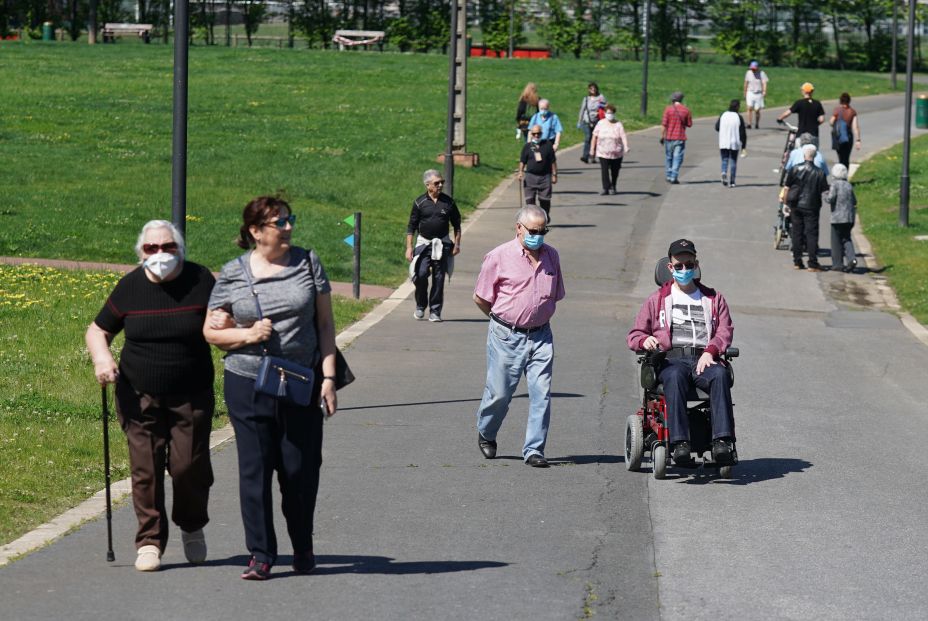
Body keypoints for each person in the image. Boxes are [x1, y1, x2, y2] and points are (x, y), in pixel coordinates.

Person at [204, 196, 337, 580]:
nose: (290, 227)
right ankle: (261, 555)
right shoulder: (233, 273)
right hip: (247, 382)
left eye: (290, 219)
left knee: (299, 470)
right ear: (256, 231)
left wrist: (328, 378)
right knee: (255, 469)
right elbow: (212, 330)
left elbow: (325, 325)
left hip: (300, 381)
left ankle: (302, 545)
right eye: (281, 222)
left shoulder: (308, 263)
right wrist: (247, 334)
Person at [85, 220, 215, 573]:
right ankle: (149, 542)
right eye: (151, 249)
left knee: (189, 467)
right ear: (141, 253)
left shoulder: (201, 280)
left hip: (192, 393)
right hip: (137, 393)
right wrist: (103, 359)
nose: (160, 254)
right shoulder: (129, 287)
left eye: (168, 247)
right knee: (146, 468)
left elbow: (222, 321)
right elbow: (98, 330)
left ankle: (191, 524)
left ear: (181, 250)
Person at [626, 239, 736, 467]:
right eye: (679, 266)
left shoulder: (714, 299)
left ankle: (722, 442)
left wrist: (711, 351)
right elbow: (634, 335)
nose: (684, 270)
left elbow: (725, 331)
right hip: (670, 359)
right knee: (674, 377)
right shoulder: (657, 300)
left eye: (689, 264)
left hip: (702, 358)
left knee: (720, 375)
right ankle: (679, 444)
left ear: (696, 264)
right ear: (670, 268)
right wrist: (646, 339)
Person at [473, 205, 566, 468]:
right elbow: (480, 297)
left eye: (543, 231)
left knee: (542, 394)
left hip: (541, 335)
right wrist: (502, 320)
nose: (538, 236)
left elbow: (555, 294)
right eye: (533, 231)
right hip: (506, 334)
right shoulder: (498, 256)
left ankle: (534, 449)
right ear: (519, 228)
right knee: (500, 393)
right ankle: (487, 431)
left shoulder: (552, 256)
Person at [406, 169, 462, 322]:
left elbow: (457, 224)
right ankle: (421, 304)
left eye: (442, 182)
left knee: (439, 278)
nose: (440, 185)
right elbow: (411, 226)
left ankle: (435, 311)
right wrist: (409, 247)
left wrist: (457, 244)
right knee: (421, 274)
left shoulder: (448, 202)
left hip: (442, 244)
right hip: (424, 243)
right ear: (427, 185)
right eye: (437, 183)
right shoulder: (419, 203)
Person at [784, 144, 829, 271]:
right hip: (812, 206)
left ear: (804, 155)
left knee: (797, 232)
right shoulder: (819, 173)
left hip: (796, 204)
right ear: (815, 156)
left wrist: (786, 203)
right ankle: (812, 262)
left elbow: (787, 188)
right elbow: (825, 190)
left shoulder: (794, 169)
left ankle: (797, 261)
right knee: (811, 234)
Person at [519, 124, 558, 220]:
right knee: (530, 201)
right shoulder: (527, 147)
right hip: (530, 177)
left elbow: (553, 161)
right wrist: (520, 172)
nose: (536, 136)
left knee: (545, 200)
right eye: (534, 134)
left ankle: (544, 217)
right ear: (531, 134)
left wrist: (554, 174)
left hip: (545, 177)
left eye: (538, 133)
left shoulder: (548, 145)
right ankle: (532, 220)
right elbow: (522, 161)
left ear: (541, 133)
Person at [824, 163, 858, 273]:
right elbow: (854, 201)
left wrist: (826, 195)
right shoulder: (848, 185)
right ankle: (852, 258)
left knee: (836, 240)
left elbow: (831, 199)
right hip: (849, 217)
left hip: (837, 217)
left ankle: (837, 264)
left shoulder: (835, 185)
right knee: (846, 238)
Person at [590, 103, 629, 195]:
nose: (609, 115)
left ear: (614, 114)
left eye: (611, 113)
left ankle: (613, 186)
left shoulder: (618, 124)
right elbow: (594, 136)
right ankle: (605, 187)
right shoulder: (600, 123)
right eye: (608, 113)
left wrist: (626, 146)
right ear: (605, 113)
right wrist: (592, 149)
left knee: (615, 171)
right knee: (604, 170)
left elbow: (623, 136)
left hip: (616, 152)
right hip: (603, 152)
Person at [776, 82, 825, 147]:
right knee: (813, 153)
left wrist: (780, 118)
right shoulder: (817, 103)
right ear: (812, 91)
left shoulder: (799, 103)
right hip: (814, 134)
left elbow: (788, 113)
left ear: (803, 91)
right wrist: (815, 124)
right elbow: (822, 119)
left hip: (802, 133)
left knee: (799, 153)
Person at [660, 91, 692, 184]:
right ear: (681, 99)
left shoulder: (668, 109)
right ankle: (674, 176)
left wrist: (662, 136)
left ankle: (669, 175)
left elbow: (663, 125)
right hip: (680, 137)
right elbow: (689, 124)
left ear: (673, 99)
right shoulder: (686, 110)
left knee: (669, 157)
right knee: (677, 157)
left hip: (669, 137)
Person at [715, 99, 747, 187]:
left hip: (724, 141)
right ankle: (732, 181)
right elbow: (742, 133)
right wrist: (744, 146)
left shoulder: (723, 115)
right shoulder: (738, 117)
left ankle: (724, 172)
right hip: (734, 141)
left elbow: (717, 127)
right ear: (737, 107)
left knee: (724, 159)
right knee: (733, 161)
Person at [829, 92, 862, 168]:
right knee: (846, 158)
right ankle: (845, 175)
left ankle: (840, 174)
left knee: (840, 157)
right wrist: (858, 140)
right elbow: (855, 127)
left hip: (838, 138)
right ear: (849, 101)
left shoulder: (837, 110)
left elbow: (831, 122)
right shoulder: (852, 112)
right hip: (848, 137)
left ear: (840, 100)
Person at [577, 82, 607, 163]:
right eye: (591, 88)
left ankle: (593, 156)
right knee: (588, 137)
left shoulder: (601, 97)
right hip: (586, 121)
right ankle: (585, 156)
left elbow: (605, 108)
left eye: (594, 88)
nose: (593, 90)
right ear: (589, 90)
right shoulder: (586, 99)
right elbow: (582, 110)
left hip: (597, 121)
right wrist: (579, 121)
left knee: (596, 139)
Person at [743, 60, 768, 129]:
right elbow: (746, 83)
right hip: (750, 92)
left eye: (754, 68)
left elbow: (764, 83)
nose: (753, 70)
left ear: (757, 68)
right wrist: (744, 92)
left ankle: (757, 123)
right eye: (752, 68)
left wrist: (764, 91)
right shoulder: (748, 73)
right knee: (749, 108)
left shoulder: (762, 73)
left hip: (758, 93)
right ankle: (749, 123)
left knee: (757, 110)